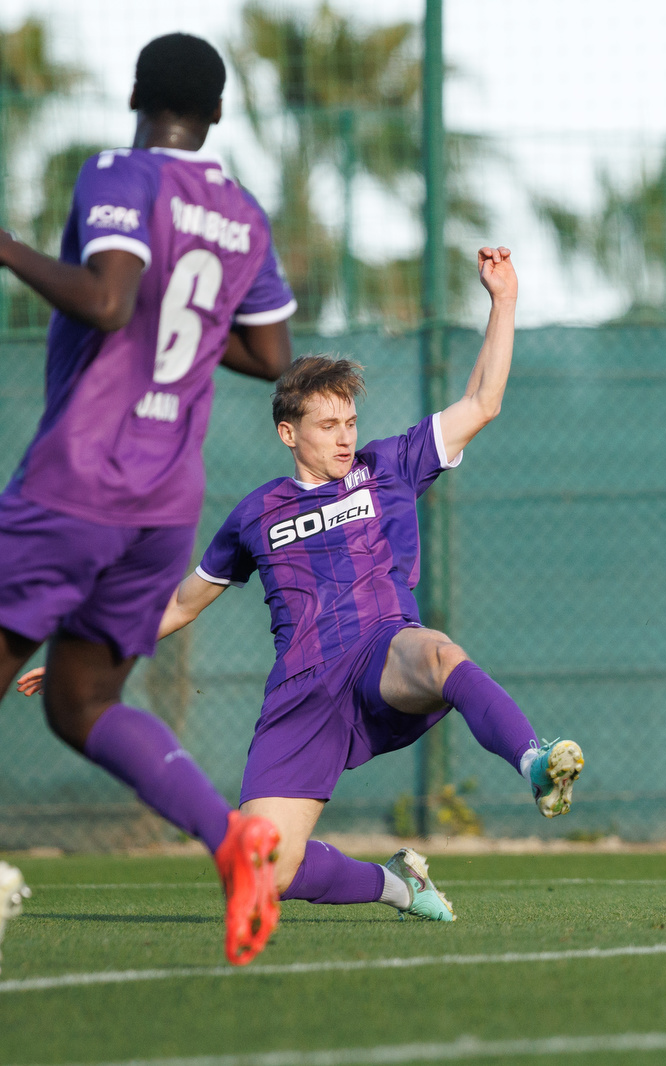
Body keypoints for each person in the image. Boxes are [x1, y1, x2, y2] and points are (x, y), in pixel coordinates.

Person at [28, 247, 582, 922]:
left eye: (350, 422)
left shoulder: (392, 465)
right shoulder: (255, 514)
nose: (346, 437)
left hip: (383, 651)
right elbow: (181, 602)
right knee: (269, 868)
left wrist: (503, 300)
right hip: (302, 690)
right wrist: (87, 650)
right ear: (290, 433)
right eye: (328, 425)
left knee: (438, 653)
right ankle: (399, 885)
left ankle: (533, 759)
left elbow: (483, 401)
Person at [0, 33, 295, 965]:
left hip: (79, 480)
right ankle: (231, 838)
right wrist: (199, 334)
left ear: (136, 95)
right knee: (81, 703)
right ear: (214, 117)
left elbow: (107, 301)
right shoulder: (242, 212)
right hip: (164, 506)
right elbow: (274, 356)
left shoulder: (118, 173)